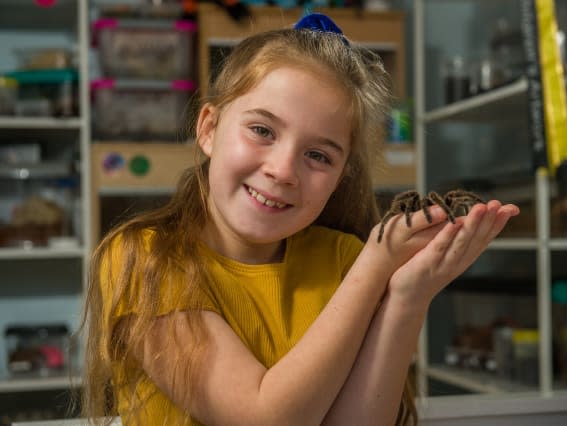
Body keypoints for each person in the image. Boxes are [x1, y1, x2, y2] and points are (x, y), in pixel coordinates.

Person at [79, 13, 519, 426]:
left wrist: (408, 295)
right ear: (209, 128)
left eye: (317, 155)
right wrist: (375, 269)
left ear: (339, 177)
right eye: (262, 130)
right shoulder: (146, 260)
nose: (283, 170)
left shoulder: (348, 259)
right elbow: (263, 418)